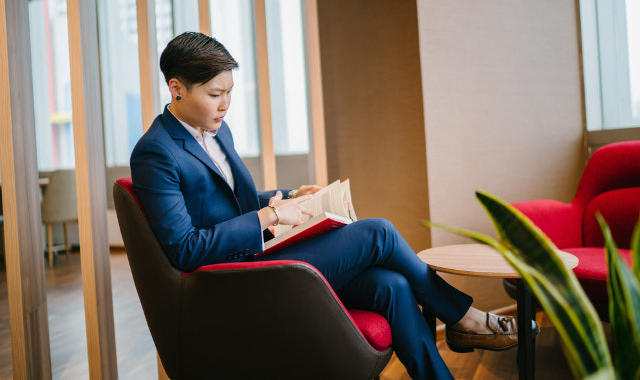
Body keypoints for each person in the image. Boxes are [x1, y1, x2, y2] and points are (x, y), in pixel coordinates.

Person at [130, 32, 524, 380]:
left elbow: (232, 200)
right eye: (215, 94)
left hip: (259, 256)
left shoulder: (217, 129)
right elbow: (184, 248)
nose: (225, 104)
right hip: (232, 281)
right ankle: (462, 317)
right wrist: (266, 217)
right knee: (379, 232)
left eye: (229, 91)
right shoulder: (156, 152)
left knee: (394, 285)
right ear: (176, 88)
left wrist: (288, 197)